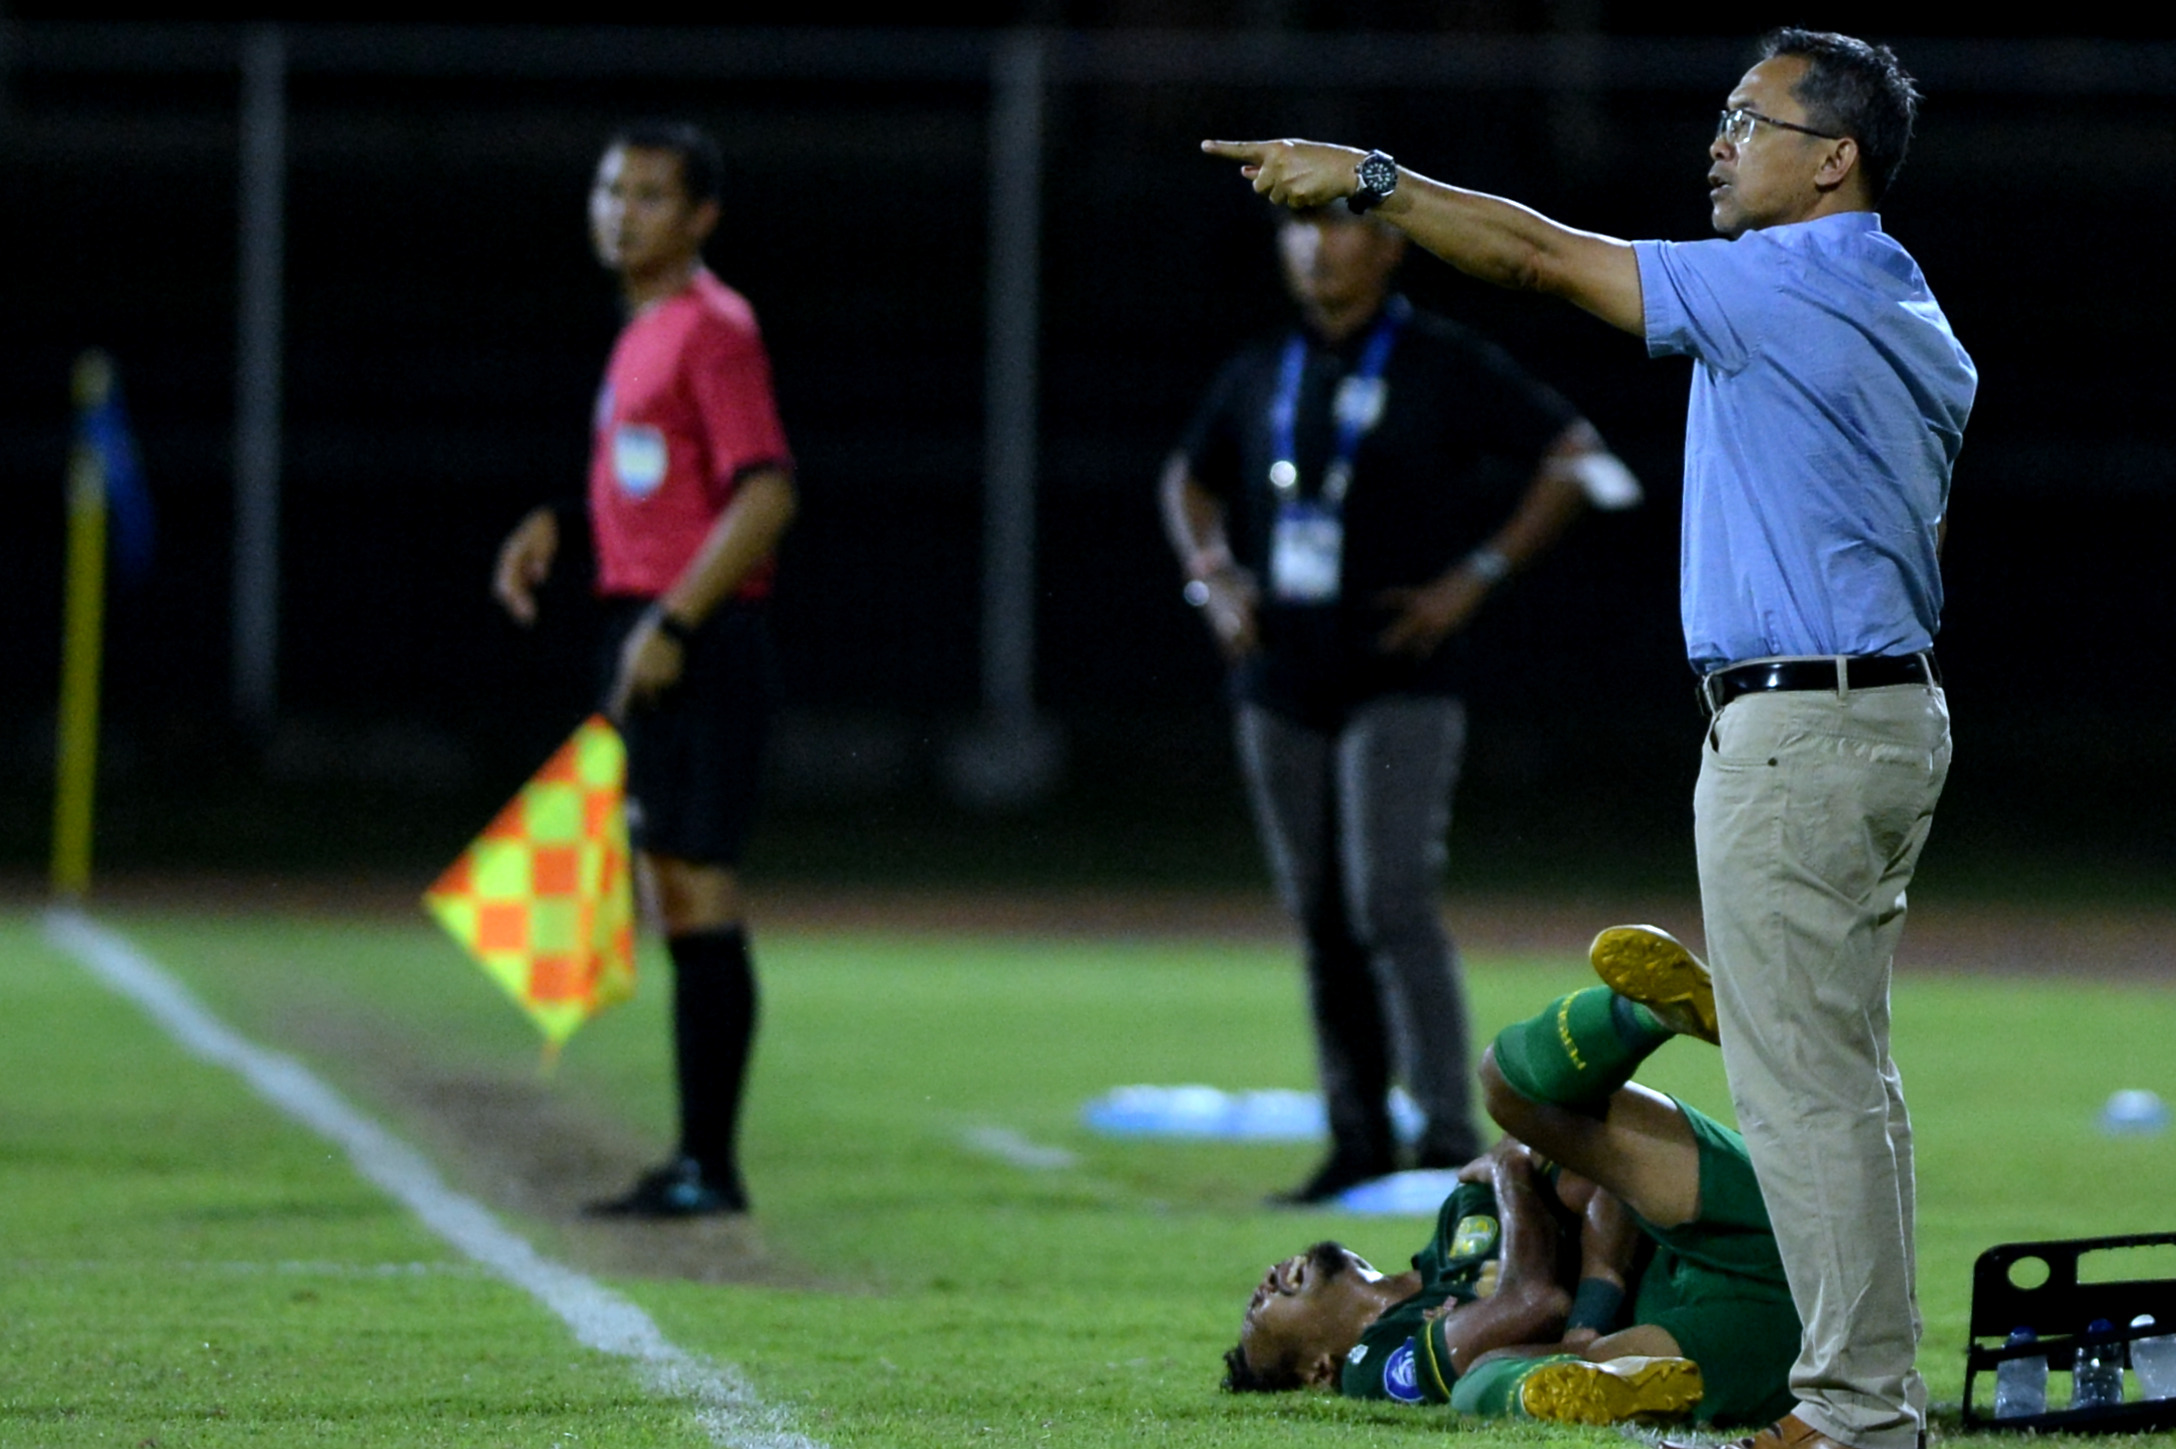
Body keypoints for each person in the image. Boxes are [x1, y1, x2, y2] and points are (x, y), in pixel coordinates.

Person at [1203, 27, 1974, 1449]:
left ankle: (1858, 1411)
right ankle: (1872, 1394)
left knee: (1806, 1092)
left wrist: (1368, 181)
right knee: (1846, 1087)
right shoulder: (1904, 303)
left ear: (1834, 160)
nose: (1720, 140)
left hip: (1802, 721)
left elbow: (1538, 259)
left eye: (1753, 119)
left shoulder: (1789, 282)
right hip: (1885, 709)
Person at [1160, 198, 1640, 1205]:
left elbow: (1575, 458)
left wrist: (1473, 576)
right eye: (1299, 230)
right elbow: (1188, 478)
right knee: (1321, 914)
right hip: (1280, 675)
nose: (1314, 246)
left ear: (1387, 246)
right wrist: (1211, 574)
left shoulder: (1439, 361)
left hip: (1400, 670)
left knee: (1390, 900)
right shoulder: (1262, 368)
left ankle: (1442, 1132)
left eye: (1336, 225)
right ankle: (1355, 1135)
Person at [492, 121, 796, 1219]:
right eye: (612, 189)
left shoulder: (713, 328)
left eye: (652, 195)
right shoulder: (643, 329)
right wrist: (564, 528)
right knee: (673, 887)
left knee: (698, 886)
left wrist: (671, 623)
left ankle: (708, 1166)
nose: (624, 211)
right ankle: (695, 1160)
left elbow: (765, 492)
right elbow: (664, 496)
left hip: (697, 642)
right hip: (651, 629)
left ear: (701, 216)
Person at [1225, 923, 1799, 1428]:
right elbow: (1533, 1301)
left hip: (1734, 1230)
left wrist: (1587, 1314)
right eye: (1259, 1313)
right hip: (1730, 1327)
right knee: (1481, 1382)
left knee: (1510, 1087)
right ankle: (1621, 1390)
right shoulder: (1371, 1363)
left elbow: (1597, 1184)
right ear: (1316, 1371)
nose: (1264, 1285)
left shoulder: (1457, 1219)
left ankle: (1654, 1010)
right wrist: (1512, 1177)